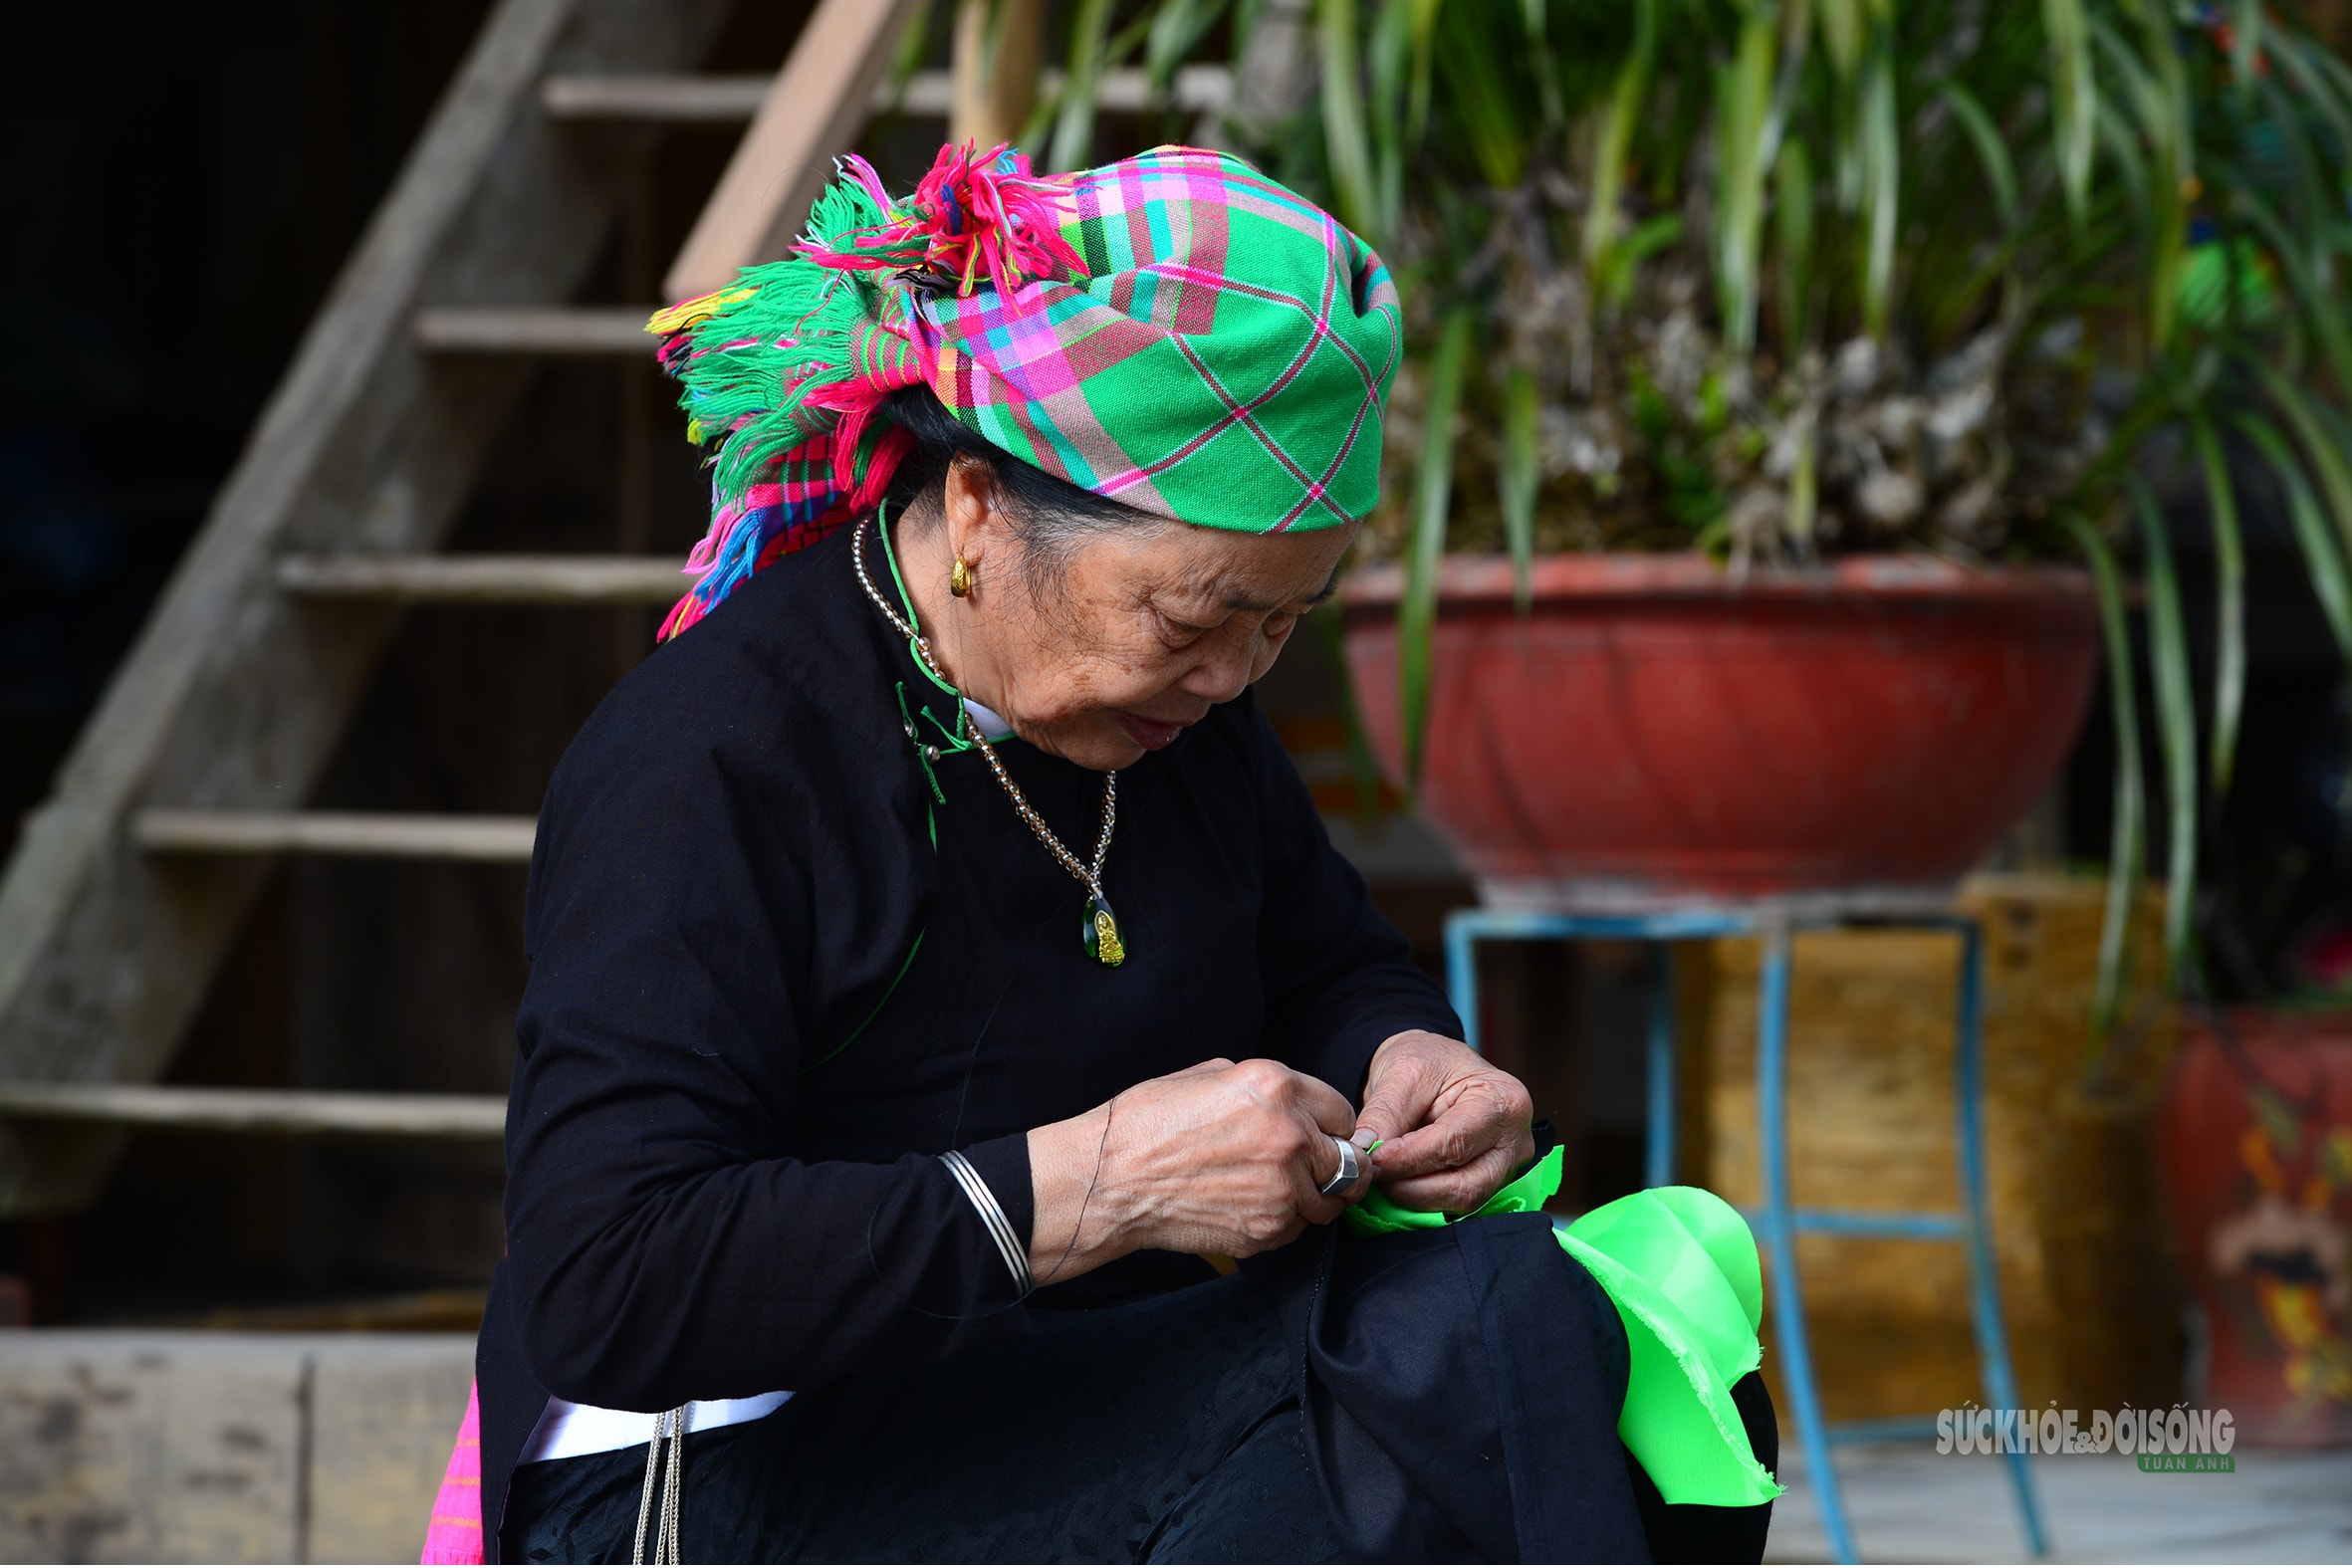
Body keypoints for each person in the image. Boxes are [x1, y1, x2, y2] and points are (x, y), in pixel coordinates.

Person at [423, 142, 1779, 1566]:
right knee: (1425, 1382)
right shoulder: (715, 760)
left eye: (1283, 625)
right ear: (977, 510)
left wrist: (1410, 1059)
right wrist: (1098, 1183)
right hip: (716, 1476)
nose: (1232, 678)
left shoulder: (1177, 729)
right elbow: (608, 1275)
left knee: (1581, 1331)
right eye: (1194, 619)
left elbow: (1328, 961)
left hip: (1038, 1392)